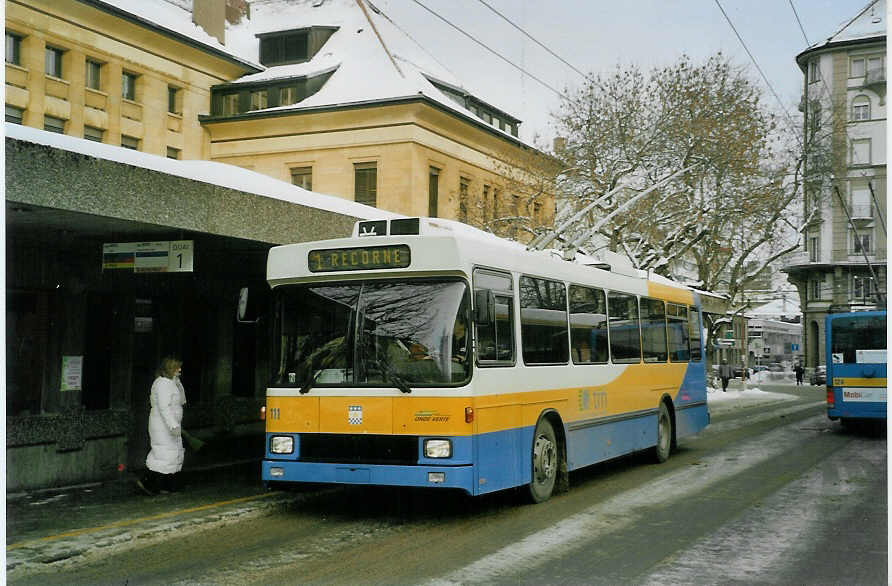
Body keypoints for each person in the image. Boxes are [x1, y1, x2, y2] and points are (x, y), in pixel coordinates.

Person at [137, 356, 187, 495]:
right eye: (177, 367)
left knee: (170, 454)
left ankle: (164, 485)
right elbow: (164, 407)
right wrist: (172, 424)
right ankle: (149, 483)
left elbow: (182, 400)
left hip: (170, 425)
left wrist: (177, 382)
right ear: (170, 368)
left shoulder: (171, 383)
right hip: (163, 426)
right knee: (163, 454)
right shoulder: (162, 384)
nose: (180, 370)